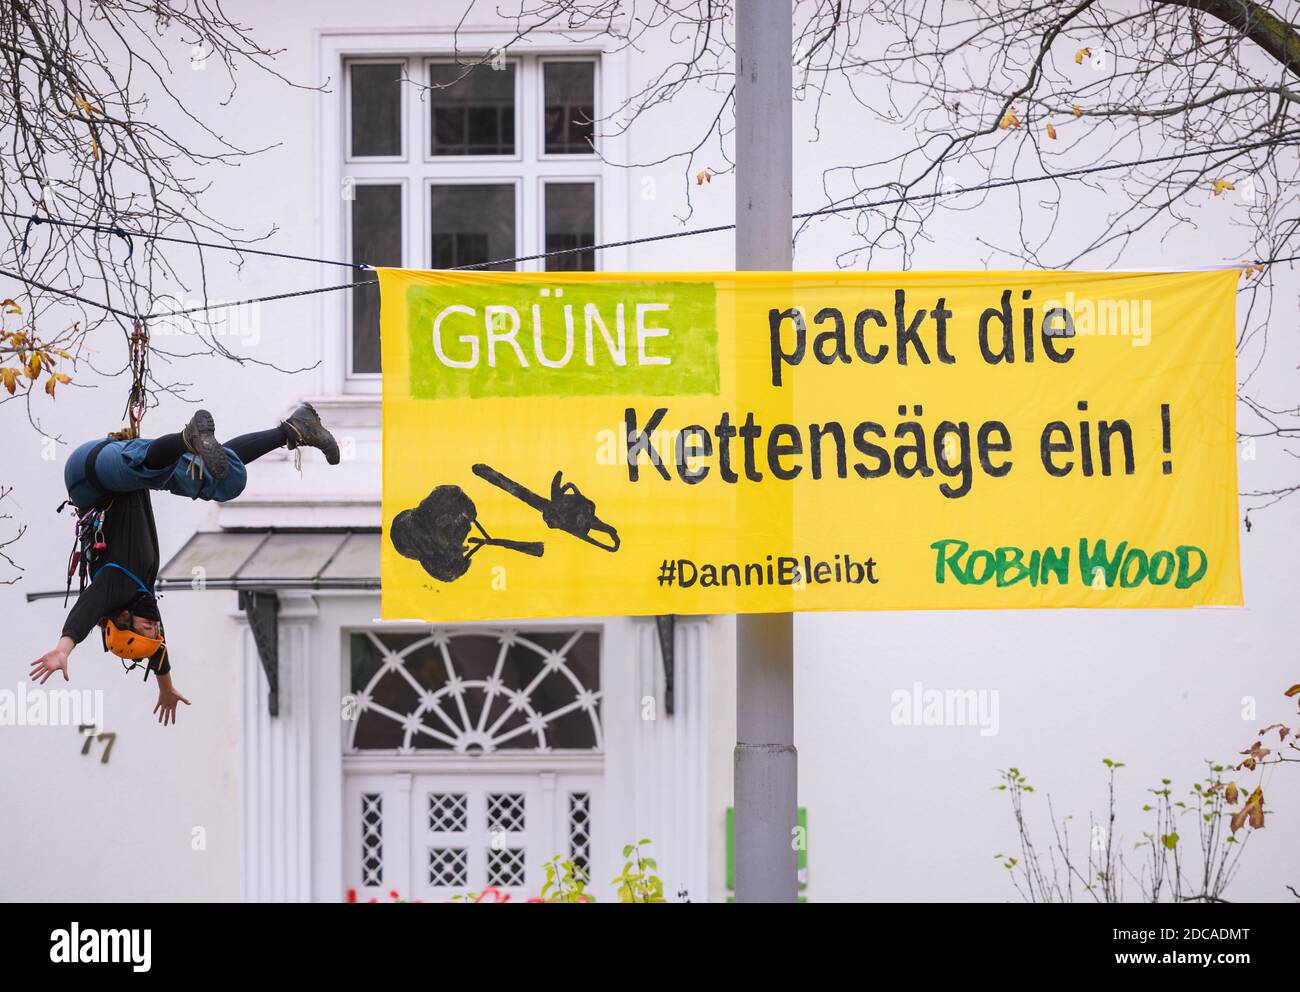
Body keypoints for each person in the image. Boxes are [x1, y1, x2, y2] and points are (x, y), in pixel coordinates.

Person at [28, 403, 340, 725]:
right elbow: (159, 652)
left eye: (146, 628)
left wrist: (64, 648)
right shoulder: (141, 593)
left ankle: (186, 437)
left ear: (123, 618)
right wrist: (166, 688)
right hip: (122, 473)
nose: (155, 627)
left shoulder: (114, 586)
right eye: (154, 630)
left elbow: (86, 608)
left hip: (89, 476)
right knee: (216, 480)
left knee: (146, 468)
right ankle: (295, 430)